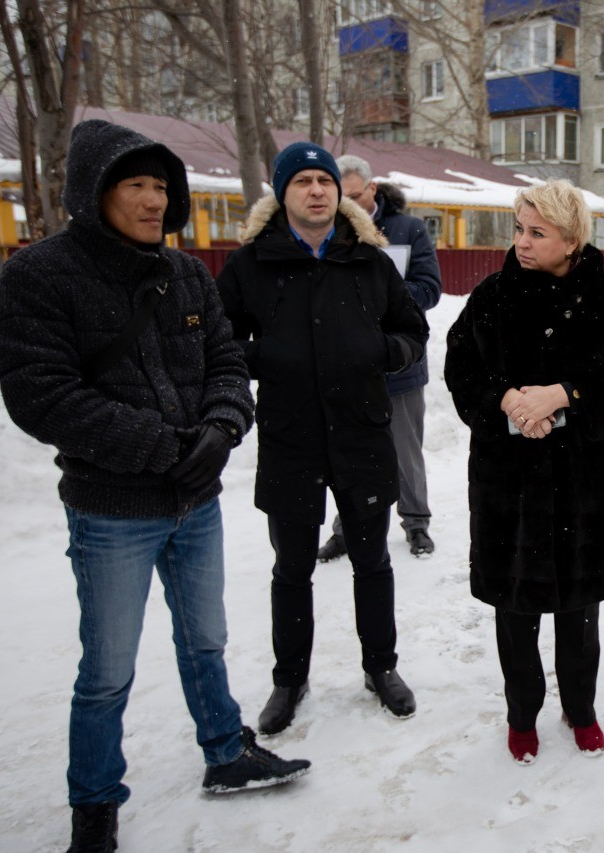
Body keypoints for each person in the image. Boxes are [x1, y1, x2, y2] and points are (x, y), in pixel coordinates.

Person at [0, 119, 311, 853]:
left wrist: (221, 430)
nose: (151, 200)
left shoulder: (187, 273)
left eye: (162, 187)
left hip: (194, 503)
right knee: (106, 670)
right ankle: (95, 805)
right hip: (112, 512)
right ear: (93, 190)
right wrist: (166, 447)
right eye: (134, 184)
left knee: (207, 641)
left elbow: (229, 363)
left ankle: (226, 752)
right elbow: (41, 394)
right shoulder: (38, 276)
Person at [217, 142, 429, 735]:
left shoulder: (369, 261)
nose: (317, 190)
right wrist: (265, 359)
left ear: (340, 193)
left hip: (361, 432)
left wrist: (381, 351)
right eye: (303, 181)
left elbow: (412, 330)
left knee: (372, 561)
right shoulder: (252, 265)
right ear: (282, 193)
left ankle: (380, 667)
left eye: (325, 181)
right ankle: (290, 680)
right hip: (291, 439)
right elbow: (219, 341)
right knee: (292, 567)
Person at [444, 180, 604, 764]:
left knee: (578, 609)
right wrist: (509, 401)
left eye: (538, 232)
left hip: (585, 485)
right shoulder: (491, 297)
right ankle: (521, 713)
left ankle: (581, 707)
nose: (523, 242)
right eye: (519, 229)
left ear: (571, 239)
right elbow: (461, 368)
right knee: (514, 607)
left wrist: (565, 395)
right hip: (509, 484)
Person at [317, 154, 443, 561]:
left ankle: (416, 523)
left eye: (354, 195)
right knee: (350, 452)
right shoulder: (328, 230)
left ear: (372, 189)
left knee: (405, 450)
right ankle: (346, 527)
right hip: (349, 364)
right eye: (342, 197)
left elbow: (430, 288)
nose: (347, 205)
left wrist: (384, 296)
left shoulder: (408, 229)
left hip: (401, 361)